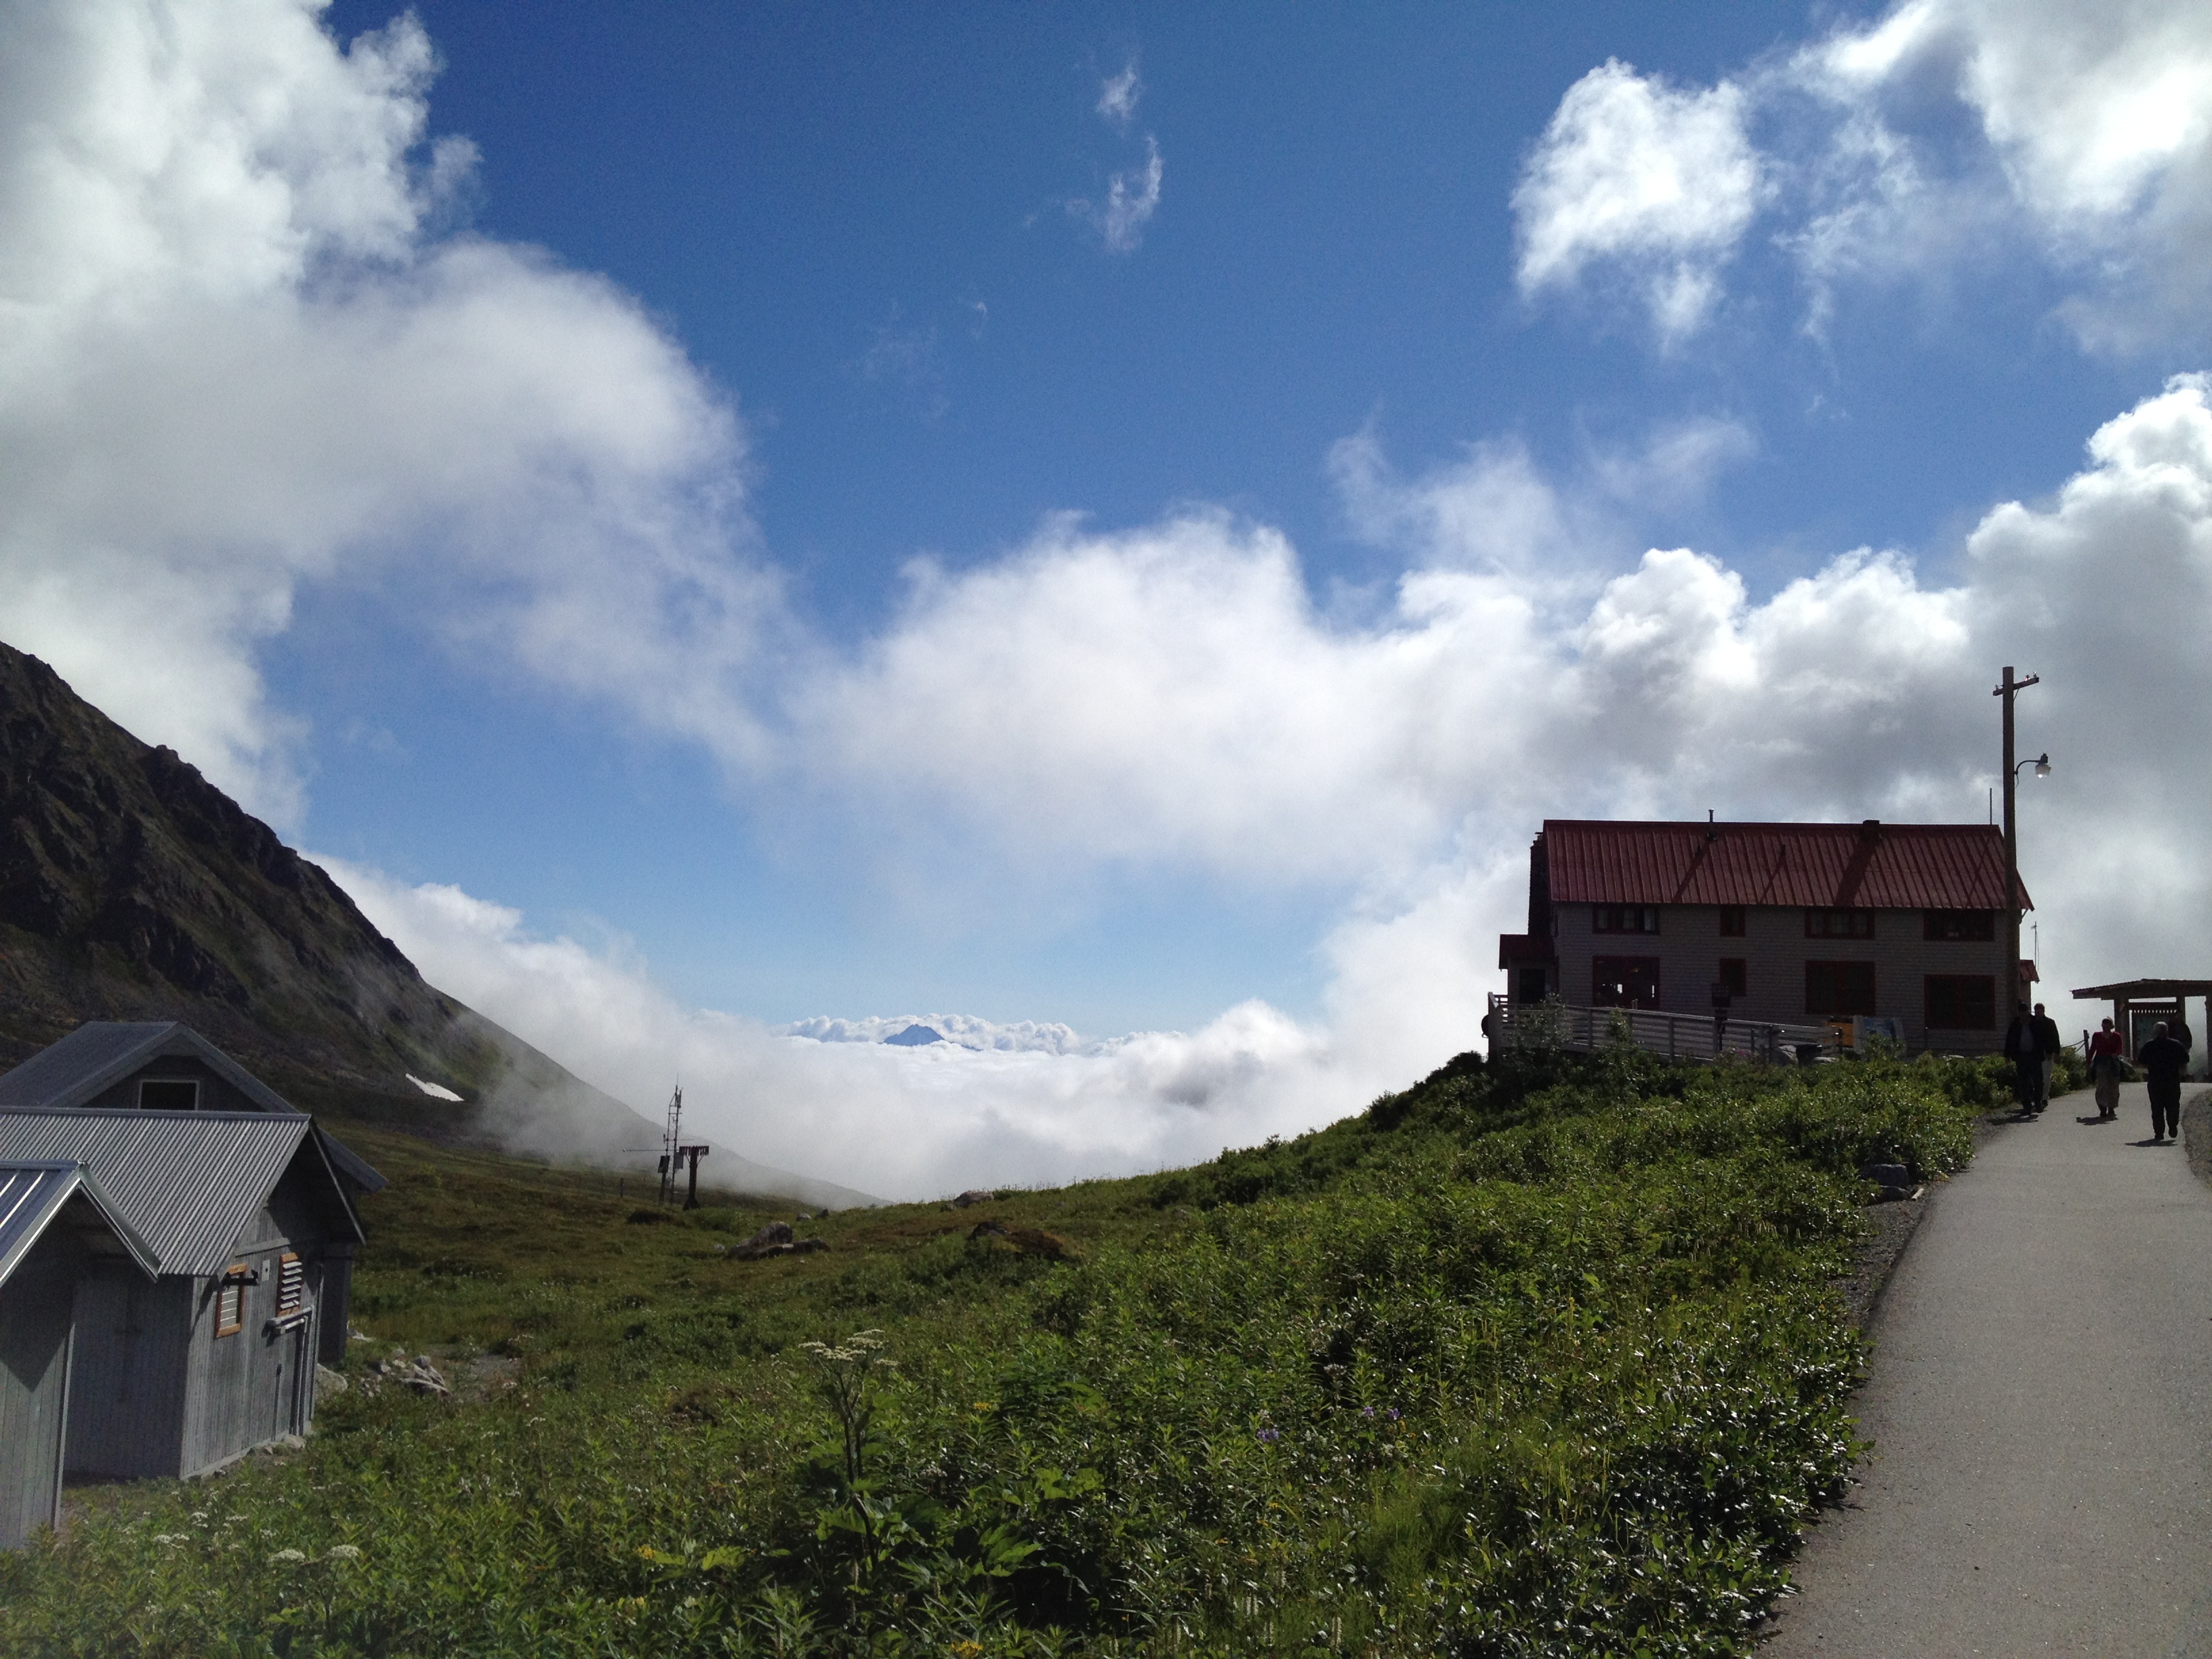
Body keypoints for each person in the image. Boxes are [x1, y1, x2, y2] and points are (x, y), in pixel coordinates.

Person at [2137, 1021, 2189, 1143]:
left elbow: (2141, 1060)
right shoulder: (2176, 1045)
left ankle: (2159, 1132)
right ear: (2167, 1031)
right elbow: (2185, 1059)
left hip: (2155, 1080)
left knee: (2157, 1107)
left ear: (2155, 1032)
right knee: (2173, 1104)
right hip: (2172, 1080)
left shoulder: (2149, 1045)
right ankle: (2172, 1125)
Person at [2003, 1004, 2045, 1113]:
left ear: (2028, 1012)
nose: (2023, 1014)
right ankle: (2027, 1105)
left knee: (2038, 1081)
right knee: (2023, 1083)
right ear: (2018, 1013)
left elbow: (2043, 1039)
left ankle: (2038, 1102)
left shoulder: (2036, 1023)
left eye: (2025, 1011)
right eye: (2021, 1012)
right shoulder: (2015, 1025)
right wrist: (2007, 1055)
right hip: (2021, 1056)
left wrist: (2047, 1051)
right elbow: (2009, 1041)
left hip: (2035, 1056)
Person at [2087, 1017, 2125, 1120]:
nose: (2105, 1027)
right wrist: (2089, 1061)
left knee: (2113, 1086)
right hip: (2100, 1062)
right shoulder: (2097, 1036)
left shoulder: (2116, 1036)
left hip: (2113, 1063)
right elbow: (2093, 1048)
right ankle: (2102, 1107)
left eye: (2107, 1025)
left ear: (2111, 1026)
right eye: (2104, 1025)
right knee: (2102, 1085)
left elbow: (2120, 1048)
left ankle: (2111, 1107)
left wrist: (2116, 1054)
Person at [2031, 1002, 2064, 1107]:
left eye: (2039, 1011)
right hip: (2035, 1054)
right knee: (2035, 1078)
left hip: (2048, 1054)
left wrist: (2056, 1053)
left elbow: (2055, 1038)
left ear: (2043, 1011)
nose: (2038, 1013)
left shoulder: (2050, 1023)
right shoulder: (2032, 1023)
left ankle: (2044, 1098)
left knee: (2046, 1077)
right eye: (2036, 1011)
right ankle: (2037, 1097)